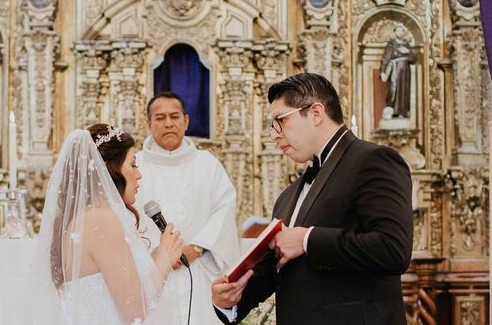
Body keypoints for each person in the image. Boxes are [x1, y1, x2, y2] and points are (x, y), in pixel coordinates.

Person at [212, 73, 413, 325]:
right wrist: (231, 298)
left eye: (280, 121)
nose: (274, 134)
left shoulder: (373, 160)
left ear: (316, 112)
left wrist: (307, 239)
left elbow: (392, 248)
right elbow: (279, 267)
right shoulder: (287, 196)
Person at [24, 124, 186, 324]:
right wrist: (164, 259)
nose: (138, 174)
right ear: (111, 169)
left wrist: (155, 257)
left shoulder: (88, 218)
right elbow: (135, 312)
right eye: (133, 164)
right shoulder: (101, 221)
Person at [136, 92, 239, 324]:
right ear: (148, 124)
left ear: (186, 121)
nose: (168, 123)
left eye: (174, 116)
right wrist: (159, 256)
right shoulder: (136, 165)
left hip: (199, 271)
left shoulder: (207, 164)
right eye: (160, 118)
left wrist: (197, 247)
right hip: (151, 273)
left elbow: (224, 208)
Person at [380, 24, 417, 119]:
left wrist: (408, 52)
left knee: (404, 90)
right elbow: (386, 58)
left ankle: (403, 111)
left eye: (402, 31)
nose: (400, 33)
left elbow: (414, 59)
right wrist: (383, 71)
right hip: (394, 70)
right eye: (398, 31)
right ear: (395, 32)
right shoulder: (391, 44)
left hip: (405, 71)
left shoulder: (407, 45)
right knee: (394, 89)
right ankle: (393, 110)